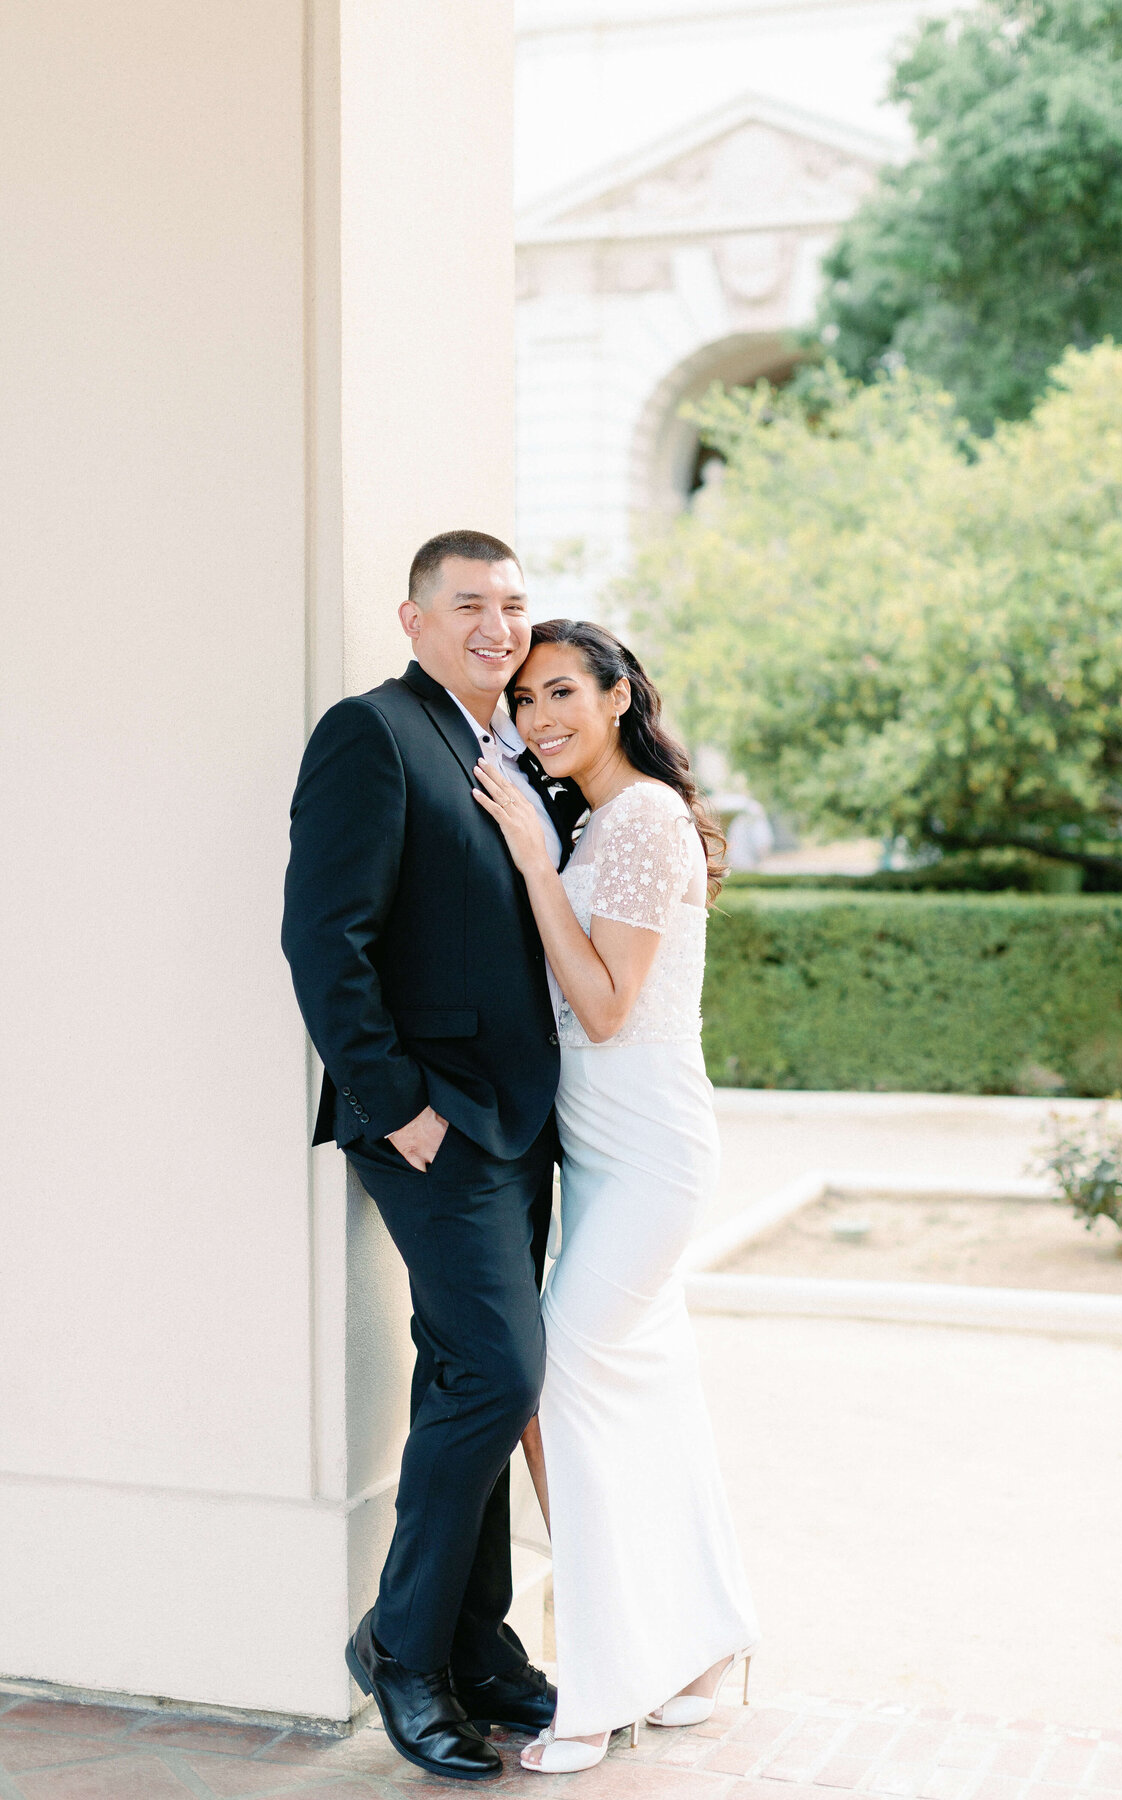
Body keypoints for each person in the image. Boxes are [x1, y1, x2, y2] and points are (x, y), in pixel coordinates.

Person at [281, 531, 585, 1782]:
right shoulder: (372, 734)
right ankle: (401, 1649)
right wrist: (394, 1101)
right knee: (499, 1372)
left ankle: (475, 1636)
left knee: (467, 1374)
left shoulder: (505, 751)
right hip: (432, 1122)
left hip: (522, 1123)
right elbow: (321, 935)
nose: (498, 627)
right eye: (470, 605)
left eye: (513, 605)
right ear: (414, 620)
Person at [472, 618, 759, 1775]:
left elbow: (602, 1008)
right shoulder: (599, 815)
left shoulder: (637, 820)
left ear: (619, 693)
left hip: (648, 1156)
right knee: (647, 1393)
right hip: (598, 1157)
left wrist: (537, 863)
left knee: (557, 1380)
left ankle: (597, 1689)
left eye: (560, 694)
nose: (540, 718)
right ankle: (696, 1653)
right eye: (525, 701)